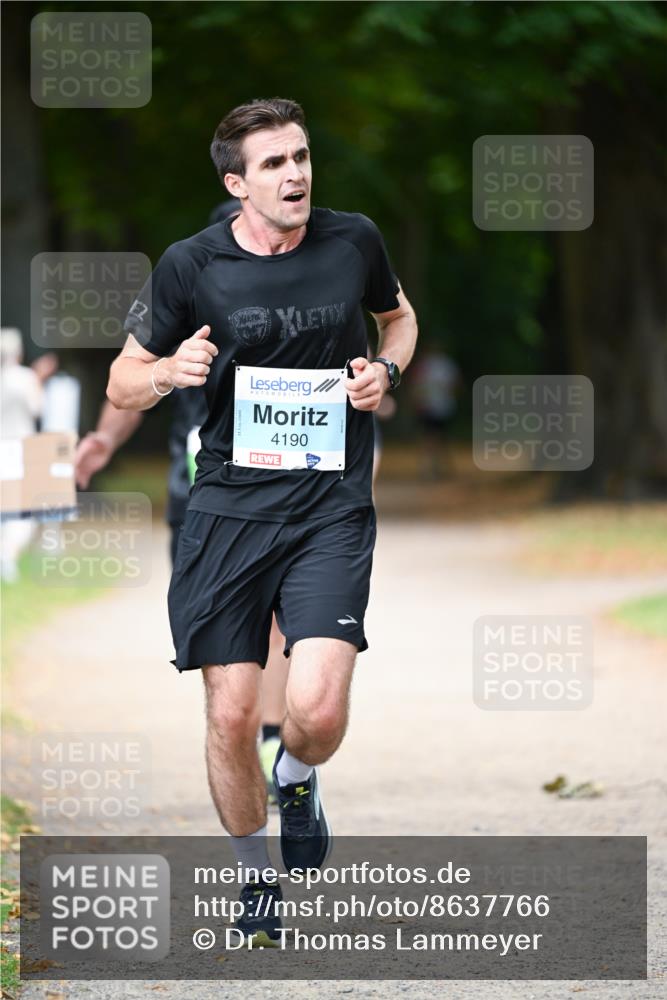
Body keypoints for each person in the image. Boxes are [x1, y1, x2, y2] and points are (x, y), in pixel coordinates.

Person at [106, 97, 417, 946]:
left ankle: (297, 776)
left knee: (313, 712)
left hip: (329, 505)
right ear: (236, 183)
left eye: (302, 157)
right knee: (230, 713)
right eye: (274, 164)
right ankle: (253, 878)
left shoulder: (352, 240)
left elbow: (398, 317)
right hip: (227, 509)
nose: (296, 175)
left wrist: (383, 371)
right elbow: (122, 383)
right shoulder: (190, 265)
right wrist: (171, 367)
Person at [0, 328, 58, 581]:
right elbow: (38, 408)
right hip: (18, 449)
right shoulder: (24, 378)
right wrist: (39, 379)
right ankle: (8, 556)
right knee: (24, 510)